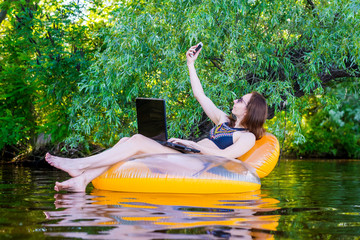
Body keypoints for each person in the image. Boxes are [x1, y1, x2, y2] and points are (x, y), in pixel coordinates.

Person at [45, 44, 268, 192]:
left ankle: (78, 165)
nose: (236, 100)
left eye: (241, 100)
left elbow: (225, 158)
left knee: (137, 140)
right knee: (126, 142)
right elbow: (200, 95)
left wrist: (194, 146)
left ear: (250, 111)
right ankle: (81, 180)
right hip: (186, 155)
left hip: (197, 166)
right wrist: (191, 64)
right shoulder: (223, 121)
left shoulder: (246, 137)